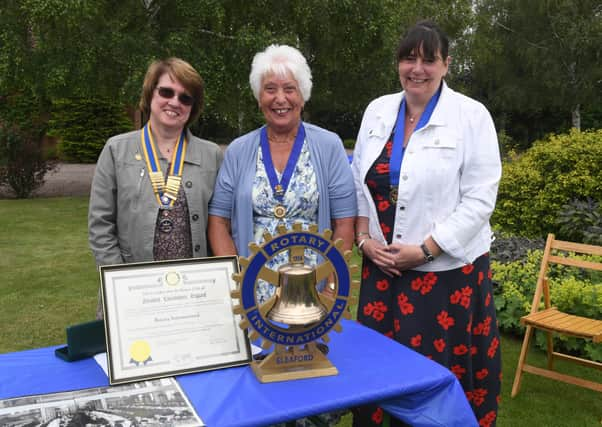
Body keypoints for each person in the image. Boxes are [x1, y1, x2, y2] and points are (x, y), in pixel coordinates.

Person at [351, 21, 502, 427]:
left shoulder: (471, 116)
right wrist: (364, 241)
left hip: (443, 279)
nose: (416, 69)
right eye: (408, 58)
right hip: (381, 272)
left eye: (428, 59)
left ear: (446, 64)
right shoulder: (378, 110)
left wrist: (426, 249)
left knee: (431, 387)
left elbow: (480, 199)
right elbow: (359, 185)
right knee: (377, 378)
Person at [208, 44, 356, 303]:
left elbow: (344, 223)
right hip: (253, 292)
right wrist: (238, 283)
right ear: (258, 97)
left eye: (289, 88)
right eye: (270, 89)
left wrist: (331, 287)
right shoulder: (238, 150)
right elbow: (218, 222)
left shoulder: (329, 146)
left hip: (314, 289)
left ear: (303, 95)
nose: (280, 98)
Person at [89, 57, 223, 318]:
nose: (175, 102)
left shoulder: (212, 155)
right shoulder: (117, 149)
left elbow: (222, 223)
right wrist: (119, 282)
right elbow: (100, 224)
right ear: (150, 93)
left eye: (186, 98)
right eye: (166, 92)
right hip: (133, 291)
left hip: (193, 294)